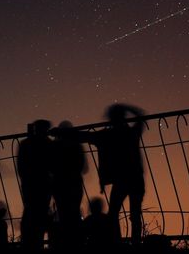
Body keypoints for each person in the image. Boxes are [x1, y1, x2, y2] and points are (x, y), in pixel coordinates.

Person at [53, 103, 146, 246]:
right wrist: (126, 108)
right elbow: (140, 115)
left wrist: (62, 133)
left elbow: (83, 136)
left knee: (114, 214)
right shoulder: (130, 133)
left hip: (121, 180)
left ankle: (116, 243)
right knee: (133, 214)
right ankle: (135, 244)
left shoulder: (107, 135)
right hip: (135, 179)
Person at [17, 119, 53, 252]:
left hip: (30, 185)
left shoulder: (25, 144)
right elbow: (52, 164)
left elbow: (21, 167)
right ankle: (37, 243)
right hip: (42, 184)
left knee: (30, 214)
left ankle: (29, 244)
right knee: (40, 213)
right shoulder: (48, 144)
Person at [51, 120, 87, 250]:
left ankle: (65, 243)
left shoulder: (54, 147)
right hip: (74, 183)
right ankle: (76, 243)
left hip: (59, 184)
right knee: (74, 213)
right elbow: (82, 166)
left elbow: (51, 166)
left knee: (63, 213)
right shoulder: (76, 146)